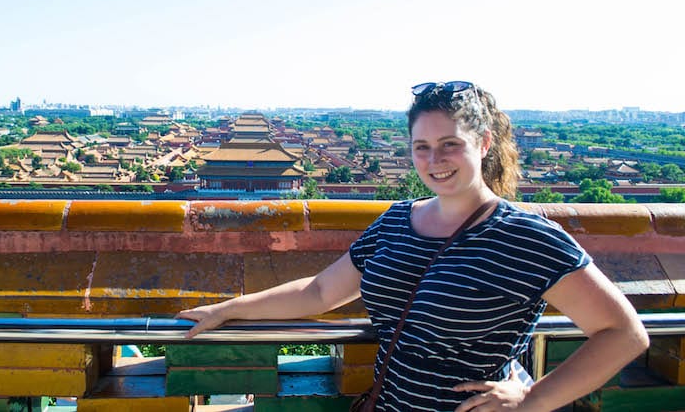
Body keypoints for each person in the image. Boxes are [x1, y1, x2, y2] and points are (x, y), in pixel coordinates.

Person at [177, 81, 649, 411]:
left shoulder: (527, 237)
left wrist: (533, 399)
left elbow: (624, 333)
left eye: (450, 144)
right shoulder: (397, 220)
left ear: (483, 144)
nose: (434, 160)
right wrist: (228, 310)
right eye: (421, 146)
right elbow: (320, 293)